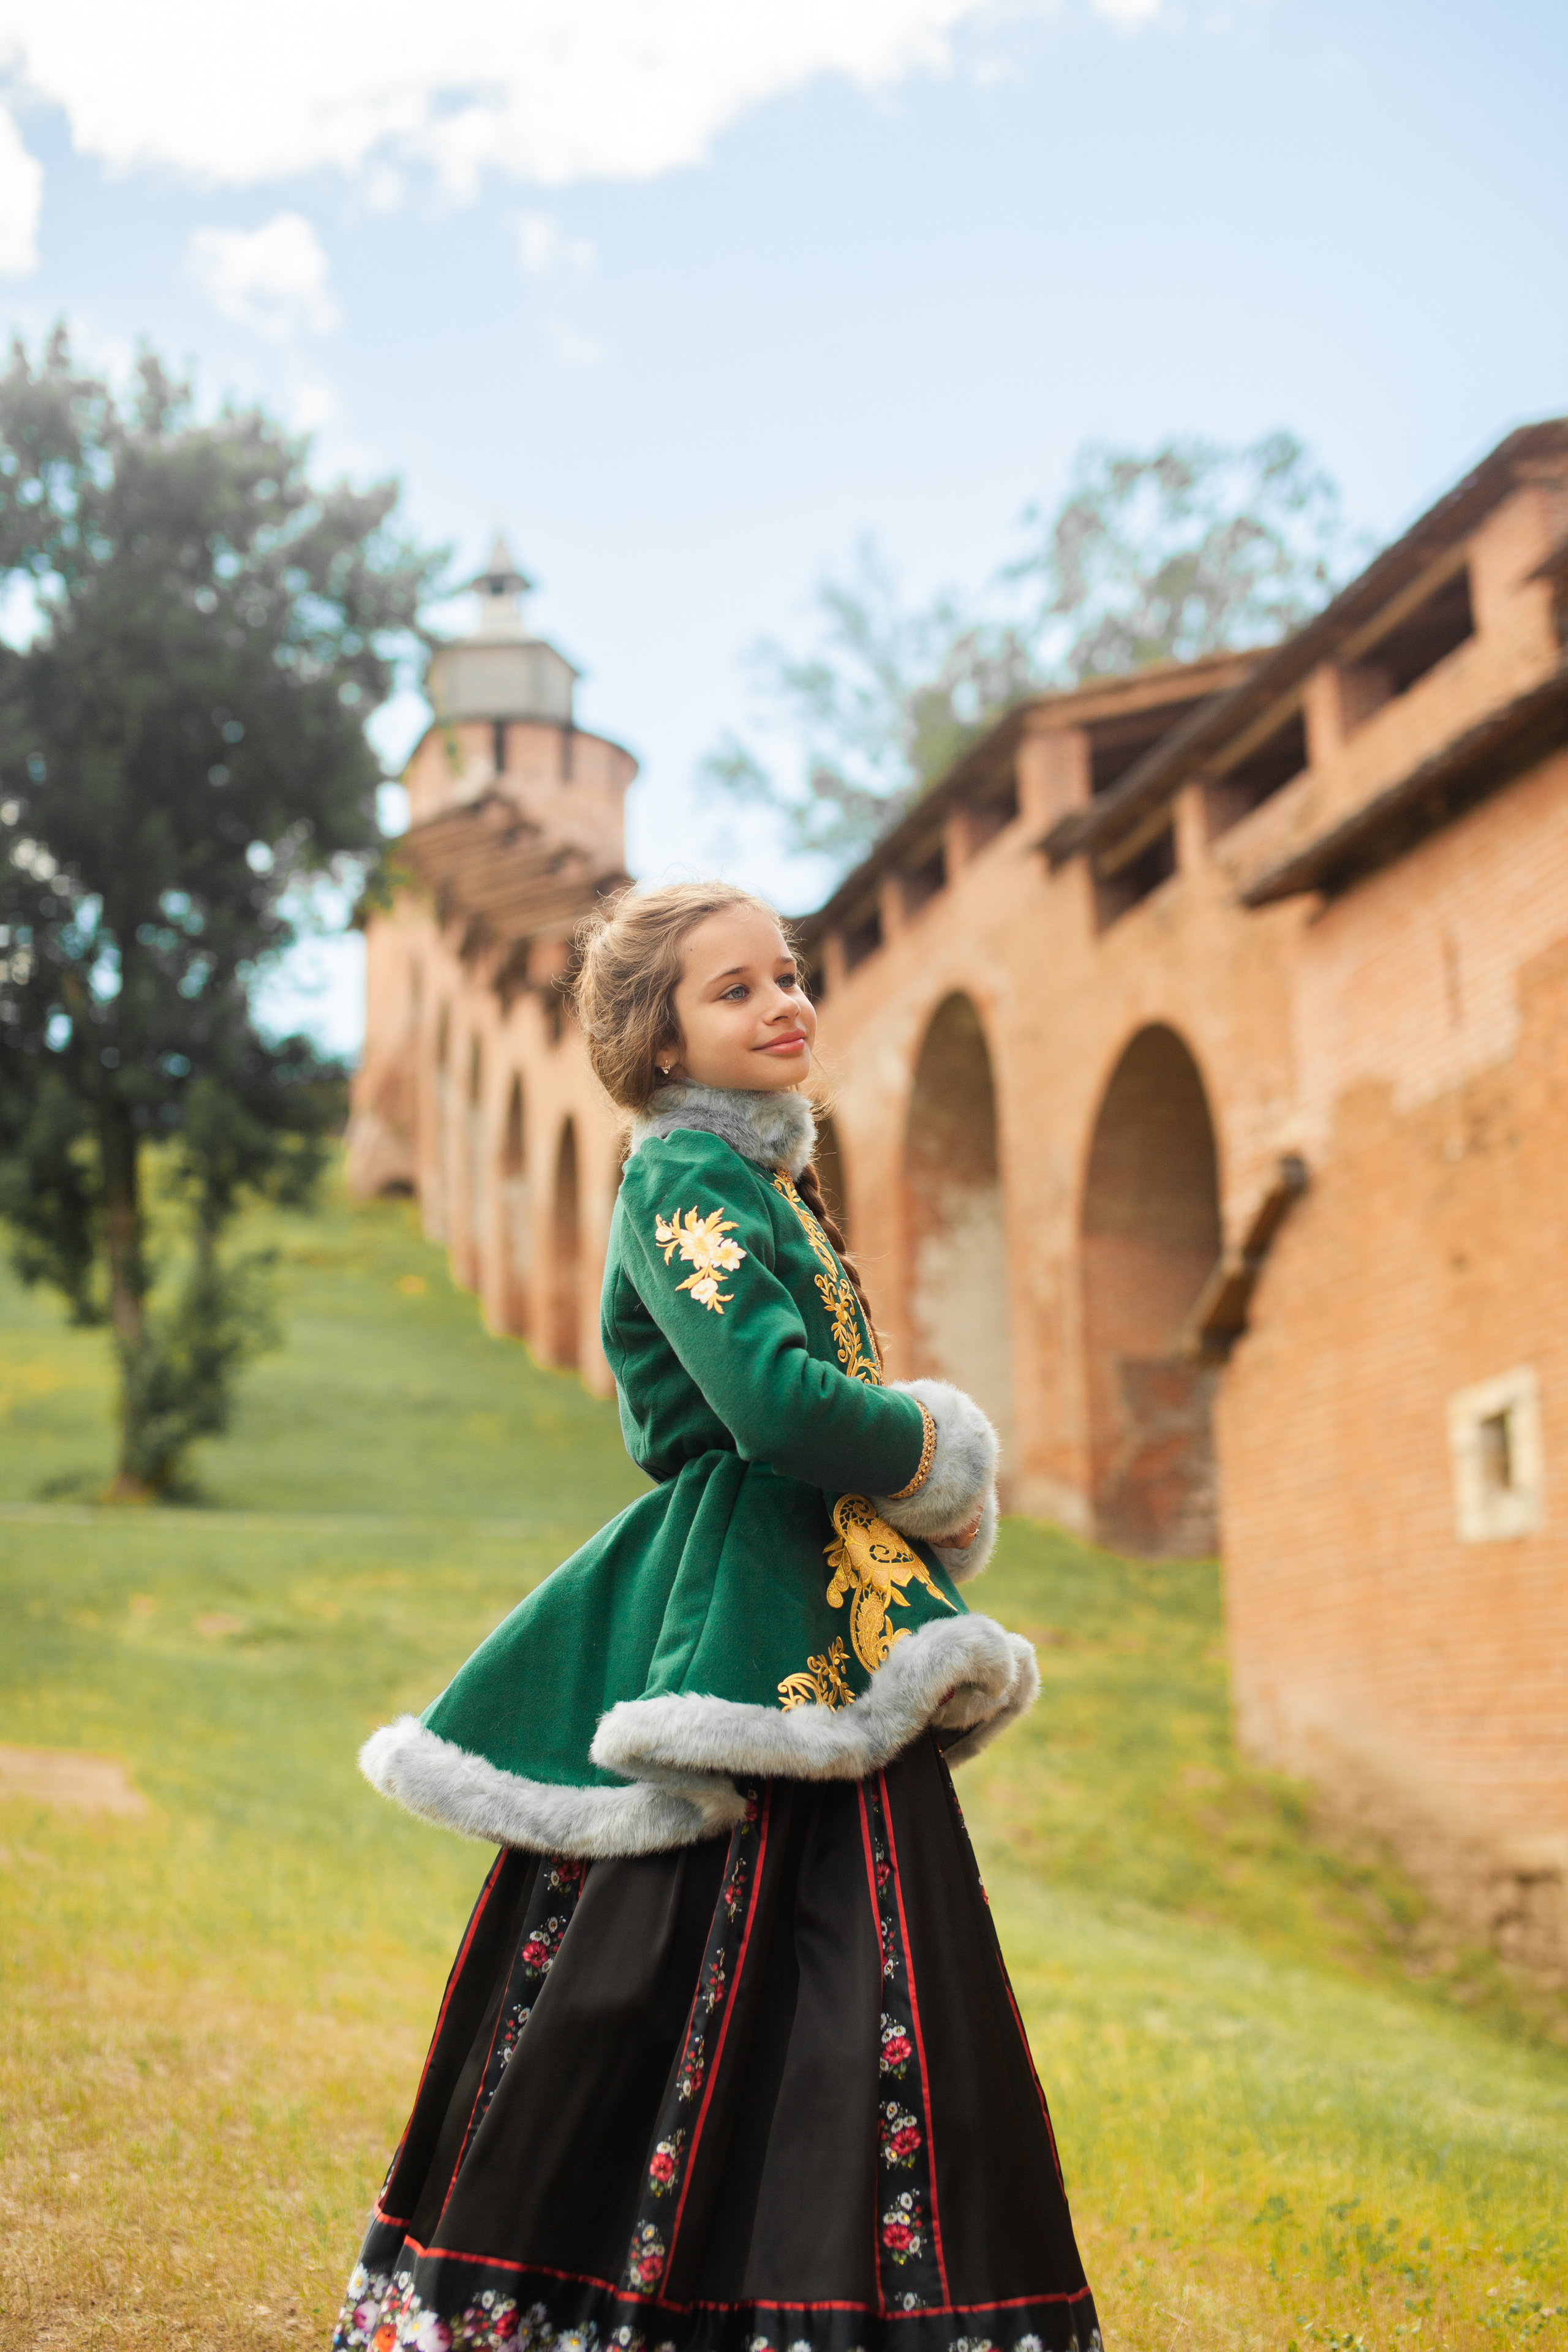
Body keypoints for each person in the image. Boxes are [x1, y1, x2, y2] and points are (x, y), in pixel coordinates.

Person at [334, 881, 1101, 2352]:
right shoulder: (682, 1177)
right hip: (737, 1597)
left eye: (790, 975)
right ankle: (607, 2299)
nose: (783, 1003)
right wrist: (934, 1449)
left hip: (817, 1593)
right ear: (659, 1037)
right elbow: (757, 1398)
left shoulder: (765, 1182)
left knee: (862, 1951)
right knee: (678, 1944)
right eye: (734, 989)